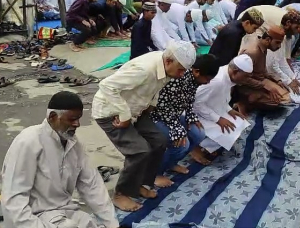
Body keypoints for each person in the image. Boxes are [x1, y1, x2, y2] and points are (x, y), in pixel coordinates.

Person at [92, 41, 196, 212]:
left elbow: (156, 88)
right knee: (139, 151)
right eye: (181, 69)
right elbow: (107, 86)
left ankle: (140, 183)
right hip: (111, 111)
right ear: (169, 62)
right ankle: (120, 194)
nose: (182, 74)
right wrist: (125, 116)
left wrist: (150, 105)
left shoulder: (167, 67)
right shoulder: (145, 69)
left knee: (159, 141)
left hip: (137, 109)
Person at [1, 92, 119, 228]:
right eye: (72, 119)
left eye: (79, 119)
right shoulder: (28, 142)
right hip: (34, 218)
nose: (77, 124)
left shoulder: (73, 144)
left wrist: (112, 224)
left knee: (88, 222)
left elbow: (92, 186)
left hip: (65, 212)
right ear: (52, 117)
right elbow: (14, 200)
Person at [152, 54, 220, 175]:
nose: (207, 83)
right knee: (182, 144)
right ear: (197, 72)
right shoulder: (177, 78)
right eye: (207, 79)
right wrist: (177, 129)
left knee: (199, 134)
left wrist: (190, 116)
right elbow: (162, 106)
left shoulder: (194, 79)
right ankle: (155, 174)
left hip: (173, 115)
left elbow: (189, 99)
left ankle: (170, 163)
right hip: (156, 117)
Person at [193, 54, 253, 153]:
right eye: (245, 77)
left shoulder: (228, 76)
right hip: (196, 114)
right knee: (228, 134)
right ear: (235, 72)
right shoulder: (217, 81)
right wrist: (218, 119)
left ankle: (208, 145)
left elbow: (220, 99)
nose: (247, 80)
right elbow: (195, 103)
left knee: (240, 122)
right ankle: (197, 147)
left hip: (212, 110)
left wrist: (229, 110)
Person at [234, 26, 291, 115]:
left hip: (258, 81)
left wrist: (277, 81)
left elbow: (263, 72)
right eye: (277, 43)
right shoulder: (253, 52)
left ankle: (256, 98)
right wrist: (266, 88)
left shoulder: (263, 48)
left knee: (286, 97)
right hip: (246, 86)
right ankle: (246, 102)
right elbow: (242, 79)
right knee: (277, 101)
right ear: (268, 39)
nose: (279, 46)